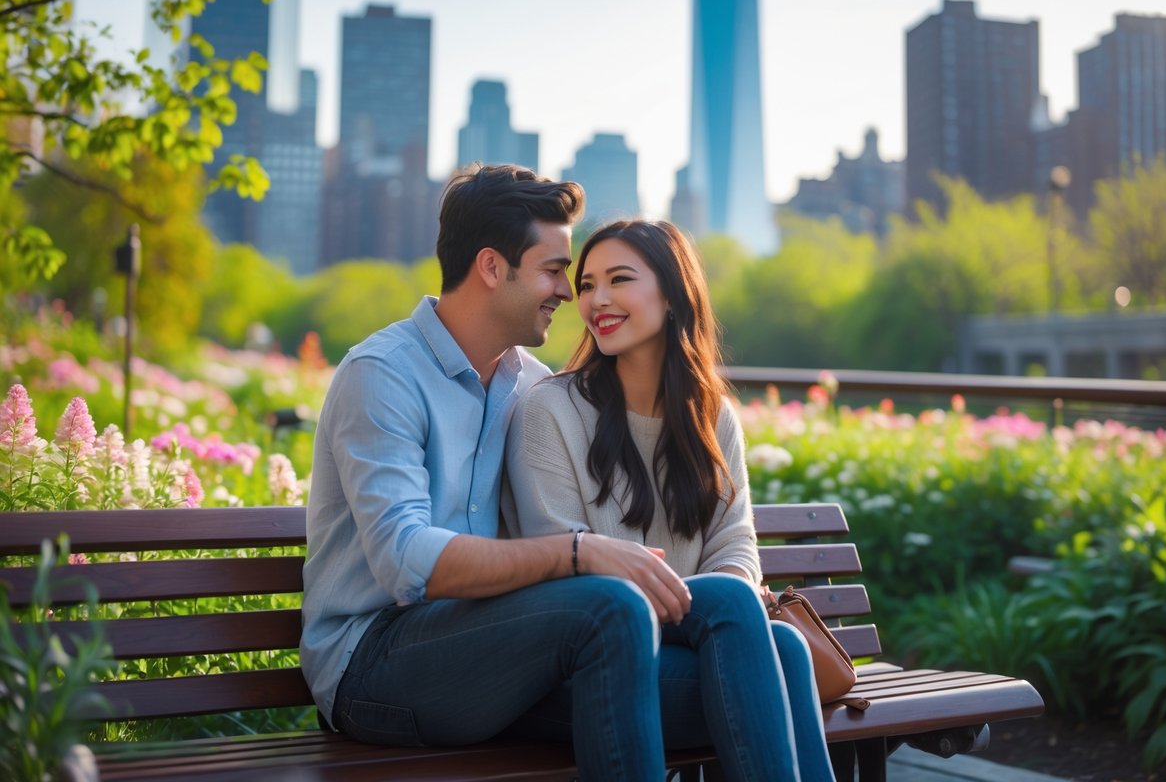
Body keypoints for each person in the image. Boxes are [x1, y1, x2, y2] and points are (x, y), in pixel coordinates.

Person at [301, 165, 705, 781]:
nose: (568, 292)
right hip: (373, 665)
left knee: (761, 663)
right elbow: (405, 560)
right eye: (553, 269)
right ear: (493, 268)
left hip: (498, 654)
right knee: (610, 604)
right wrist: (575, 553)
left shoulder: (533, 388)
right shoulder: (382, 374)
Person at [503, 219, 837, 781]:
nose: (596, 300)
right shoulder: (552, 410)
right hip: (585, 664)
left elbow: (735, 540)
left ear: (673, 293)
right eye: (586, 285)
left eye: (619, 280)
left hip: (685, 651)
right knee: (754, 625)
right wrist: (710, 600)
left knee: (785, 643)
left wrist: (715, 592)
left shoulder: (713, 417)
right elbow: (562, 563)